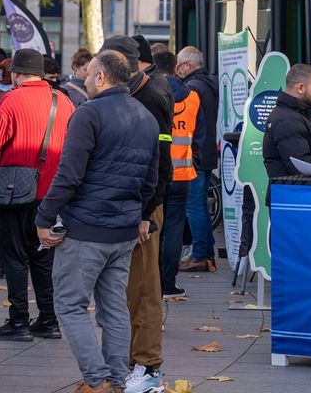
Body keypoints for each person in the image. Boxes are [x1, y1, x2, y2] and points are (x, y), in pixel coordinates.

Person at [37, 50, 158, 393]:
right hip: (123, 230)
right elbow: (151, 180)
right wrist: (139, 215)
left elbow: (69, 175)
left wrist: (44, 217)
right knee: (114, 307)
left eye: (89, 75)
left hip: (87, 228)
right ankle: (117, 380)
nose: (86, 80)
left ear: (101, 77)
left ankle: (96, 380)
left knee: (70, 305)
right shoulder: (146, 117)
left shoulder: (88, 113)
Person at [0, 49, 75, 342]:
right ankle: (48, 319)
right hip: (52, 193)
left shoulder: (11, 100)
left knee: (14, 257)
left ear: (16, 73)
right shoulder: (64, 101)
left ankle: (19, 321)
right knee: (43, 258)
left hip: (16, 193)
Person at [99, 34, 172, 393]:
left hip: (144, 209)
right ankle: (131, 361)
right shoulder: (129, 95)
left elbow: (162, 164)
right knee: (127, 289)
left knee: (144, 289)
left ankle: (147, 366)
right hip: (126, 206)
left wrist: (146, 213)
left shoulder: (151, 98)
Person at [157, 48, 198, 297]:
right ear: (175, 68)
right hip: (183, 173)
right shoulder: (193, 98)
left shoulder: (151, 95)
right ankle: (168, 283)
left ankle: (153, 281)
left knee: (156, 228)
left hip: (158, 173)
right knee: (174, 229)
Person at [175, 46, 218, 273]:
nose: (177, 69)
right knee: (199, 205)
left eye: (179, 64)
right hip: (207, 152)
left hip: (195, 155)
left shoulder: (192, 88)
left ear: (187, 65)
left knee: (194, 207)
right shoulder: (210, 84)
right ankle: (206, 252)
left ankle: (200, 255)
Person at [262, 63, 311, 182]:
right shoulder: (288, 120)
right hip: (295, 191)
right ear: (301, 88)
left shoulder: (294, 115)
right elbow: (302, 168)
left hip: (290, 190)